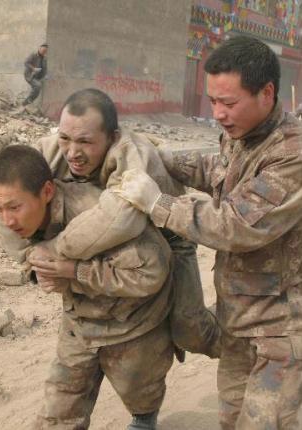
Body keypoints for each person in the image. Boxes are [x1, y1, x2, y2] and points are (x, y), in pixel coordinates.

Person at [114, 35, 302, 429]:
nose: (217, 112)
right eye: (212, 100)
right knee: (232, 419)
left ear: (266, 93)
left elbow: (237, 224)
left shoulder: (292, 154)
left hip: (280, 334)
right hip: (238, 323)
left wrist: (158, 204)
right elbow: (216, 170)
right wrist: (163, 158)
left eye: (228, 103)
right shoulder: (241, 137)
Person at [0, 88, 221, 360]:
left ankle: (237, 344)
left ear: (111, 137)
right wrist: (32, 259)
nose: (72, 152)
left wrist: (53, 250)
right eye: (65, 138)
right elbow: (3, 195)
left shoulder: (133, 155)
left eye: (85, 142)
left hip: (165, 234)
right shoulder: (51, 149)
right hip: (101, 239)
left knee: (190, 329)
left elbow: (122, 219)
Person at [0, 145, 175, 430]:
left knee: (140, 392)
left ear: (47, 192)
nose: (7, 220)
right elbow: (28, 256)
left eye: (14, 207)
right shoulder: (2, 218)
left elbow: (152, 273)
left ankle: (145, 417)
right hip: (80, 322)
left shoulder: (98, 214)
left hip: (135, 322)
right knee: (59, 411)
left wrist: (76, 271)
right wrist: (43, 273)